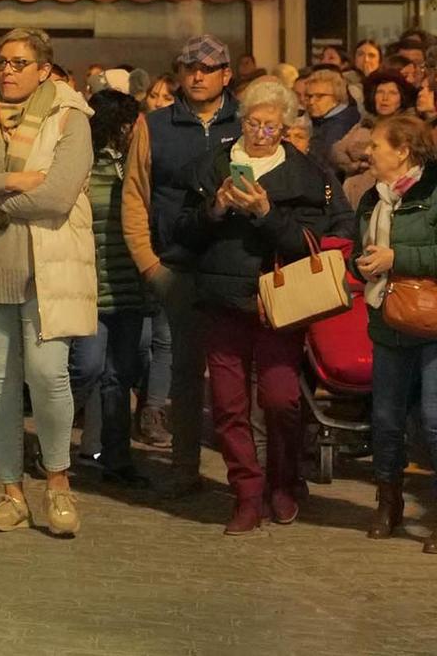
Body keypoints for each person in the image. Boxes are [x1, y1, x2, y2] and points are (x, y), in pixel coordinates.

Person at [170, 77, 349, 534]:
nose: (260, 132)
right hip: (221, 299)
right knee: (229, 406)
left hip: (280, 302)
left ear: (286, 127)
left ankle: (284, 481)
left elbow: (307, 243)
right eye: (253, 122)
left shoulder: (307, 174)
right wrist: (214, 209)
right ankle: (246, 493)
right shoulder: (213, 164)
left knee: (281, 399)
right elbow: (183, 231)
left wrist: (267, 214)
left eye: (271, 126)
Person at [0, 27, 96, 538]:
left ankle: (57, 483)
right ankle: (11, 492)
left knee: (49, 376)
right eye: (1, 61)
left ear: (44, 70)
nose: (6, 71)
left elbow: (56, 196)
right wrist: (10, 180)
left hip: (47, 269)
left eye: (19, 63)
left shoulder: (70, 118)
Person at [121, 33, 239, 497]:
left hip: (237, 265)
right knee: (185, 374)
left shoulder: (248, 120)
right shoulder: (154, 125)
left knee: (238, 376)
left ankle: (247, 474)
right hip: (177, 265)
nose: (197, 75)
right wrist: (150, 264)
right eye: (190, 67)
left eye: (207, 69)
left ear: (226, 75)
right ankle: (185, 466)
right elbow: (135, 197)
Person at [353, 112, 437, 553]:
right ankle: (388, 502)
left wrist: (396, 257)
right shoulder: (372, 199)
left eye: (377, 146)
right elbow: (357, 249)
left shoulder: (434, 191)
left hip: (432, 320)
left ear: (402, 151)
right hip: (386, 319)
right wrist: (361, 263)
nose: (368, 152)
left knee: (434, 420)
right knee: (385, 421)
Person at [68, 88, 152, 489]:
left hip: (129, 288)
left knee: (121, 375)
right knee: (86, 368)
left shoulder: (138, 165)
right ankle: (51, 445)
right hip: (90, 285)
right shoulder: (84, 166)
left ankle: (117, 458)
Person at [333, 68, 412, 207]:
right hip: (352, 192)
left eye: (392, 93)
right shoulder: (364, 123)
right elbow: (336, 150)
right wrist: (354, 165)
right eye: (380, 92)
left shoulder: (406, 127)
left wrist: (361, 153)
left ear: (401, 98)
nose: (385, 98)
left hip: (385, 194)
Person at [299, 66, 360, 154]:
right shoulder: (320, 120)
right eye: (309, 96)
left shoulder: (339, 128)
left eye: (319, 96)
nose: (311, 102)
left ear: (337, 97)